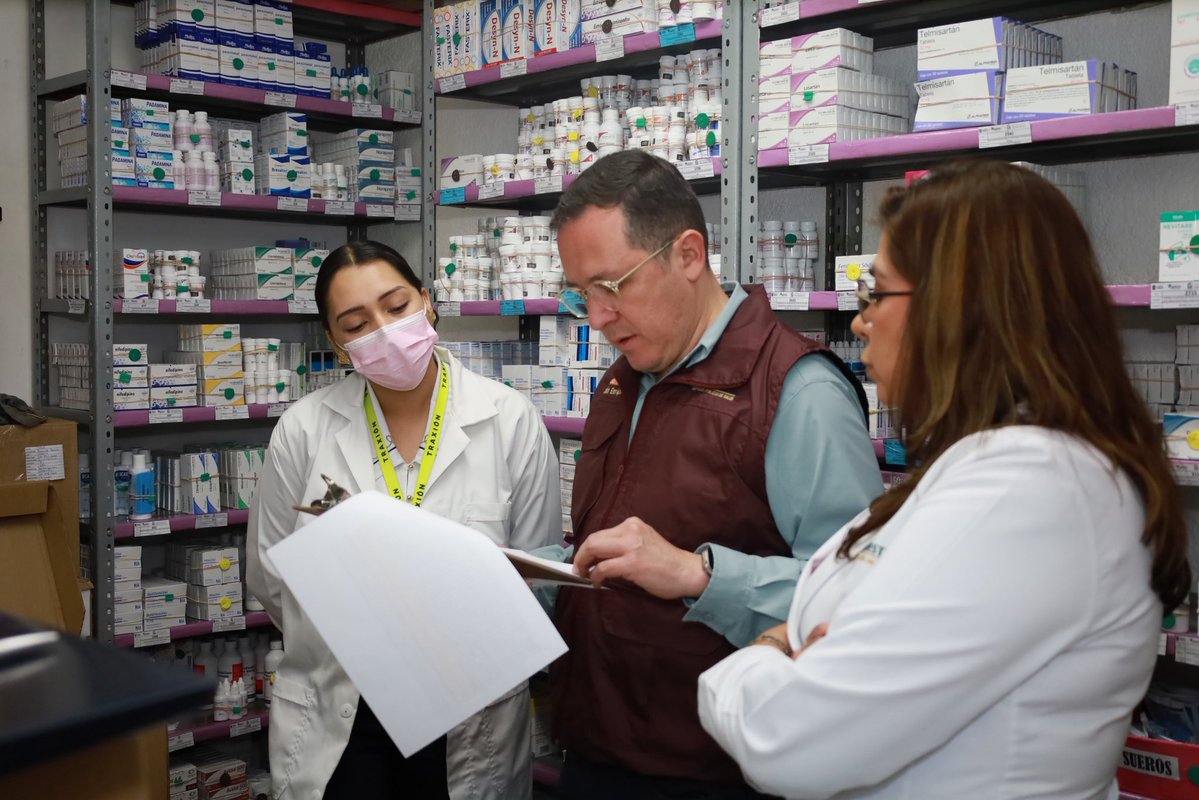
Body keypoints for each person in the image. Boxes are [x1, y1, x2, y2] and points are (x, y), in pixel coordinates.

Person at [697, 159, 1193, 799]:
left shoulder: (1032, 490)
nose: (860, 320)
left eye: (878, 293)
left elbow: (791, 740)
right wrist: (796, 655)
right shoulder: (988, 468)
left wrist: (758, 657)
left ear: (960, 308)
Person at [544, 149, 884, 798]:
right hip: (597, 750)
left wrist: (696, 575)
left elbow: (854, 601)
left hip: (718, 771)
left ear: (689, 255)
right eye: (579, 294)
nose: (595, 319)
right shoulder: (624, 380)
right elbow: (612, 555)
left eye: (611, 288)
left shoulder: (795, 390)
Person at [246, 240, 561, 800]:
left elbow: (537, 578)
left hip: (469, 712)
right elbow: (273, 578)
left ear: (427, 300)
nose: (384, 331)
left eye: (395, 307)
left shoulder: (509, 419)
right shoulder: (303, 430)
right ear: (337, 343)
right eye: (356, 322)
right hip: (343, 711)